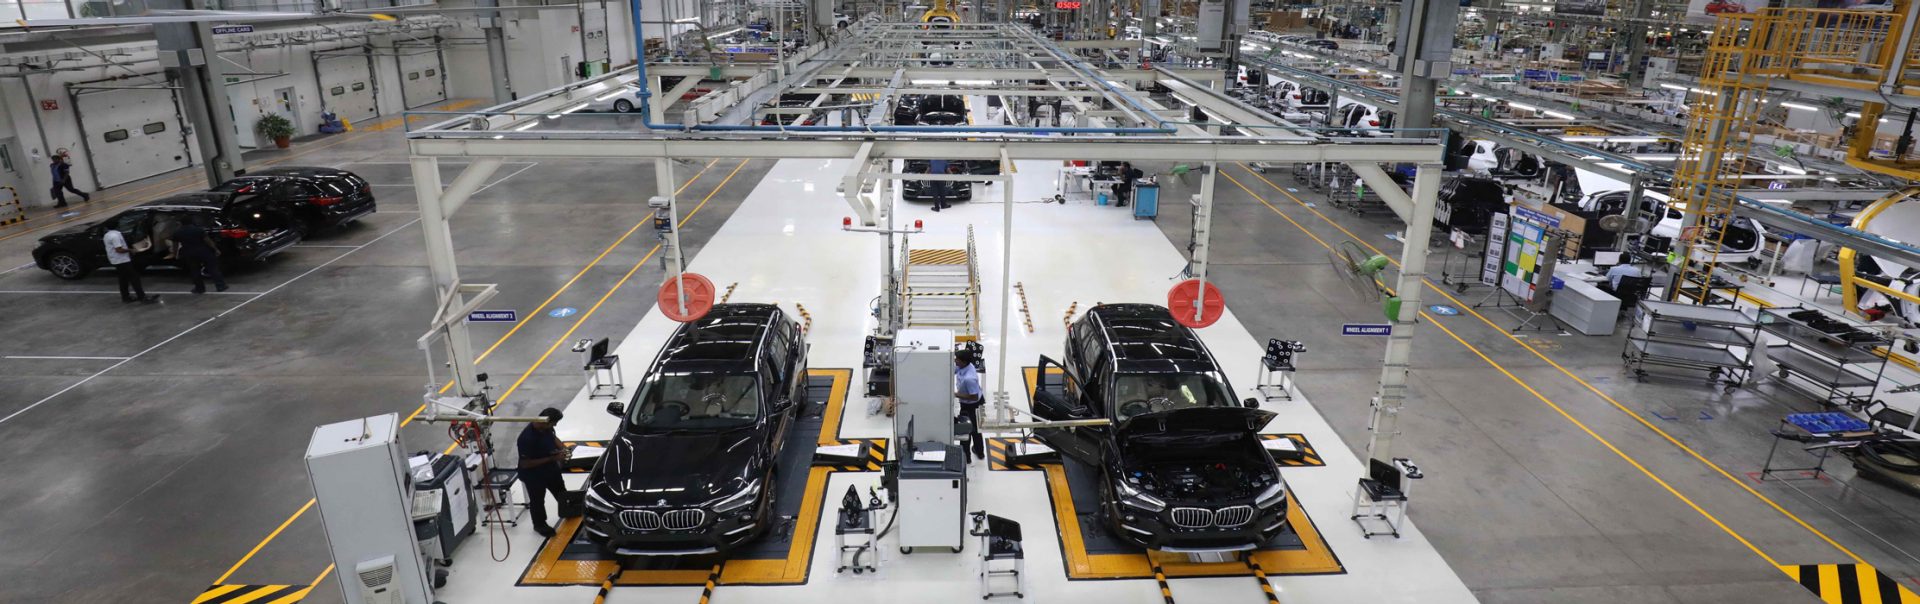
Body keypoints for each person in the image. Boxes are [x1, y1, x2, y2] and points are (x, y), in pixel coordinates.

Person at [518, 407, 570, 537]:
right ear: (545, 421)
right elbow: (526, 463)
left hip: (551, 469)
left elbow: (553, 437)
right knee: (537, 501)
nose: (555, 425)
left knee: (561, 492)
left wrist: (563, 448)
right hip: (534, 475)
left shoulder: (546, 428)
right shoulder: (527, 438)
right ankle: (540, 525)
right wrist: (553, 458)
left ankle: (568, 510)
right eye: (554, 423)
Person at [169, 222, 227, 294]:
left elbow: (175, 245)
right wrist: (215, 249)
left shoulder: (177, 232)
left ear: (181, 223)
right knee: (212, 268)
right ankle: (220, 286)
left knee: (195, 271)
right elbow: (208, 240)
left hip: (189, 253)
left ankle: (199, 288)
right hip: (203, 251)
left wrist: (175, 254)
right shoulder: (198, 229)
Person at [103, 228, 157, 304]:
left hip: (116, 260)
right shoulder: (115, 235)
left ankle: (126, 297)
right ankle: (142, 297)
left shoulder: (107, 235)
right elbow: (119, 249)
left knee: (123, 279)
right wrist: (131, 250)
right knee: (134, 278)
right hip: (122, 260)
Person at [954, 349, 985, 462]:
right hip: (970, 401)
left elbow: (974, 397)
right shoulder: (964, 365)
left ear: (963, 361)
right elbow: (954, 369)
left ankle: (966, 457)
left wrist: (956, 395)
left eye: (957, 359)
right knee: (975, 429)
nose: (955, 361)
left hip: (972, 405)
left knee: (967, 429)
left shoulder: (969, 378)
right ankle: (979, 451)